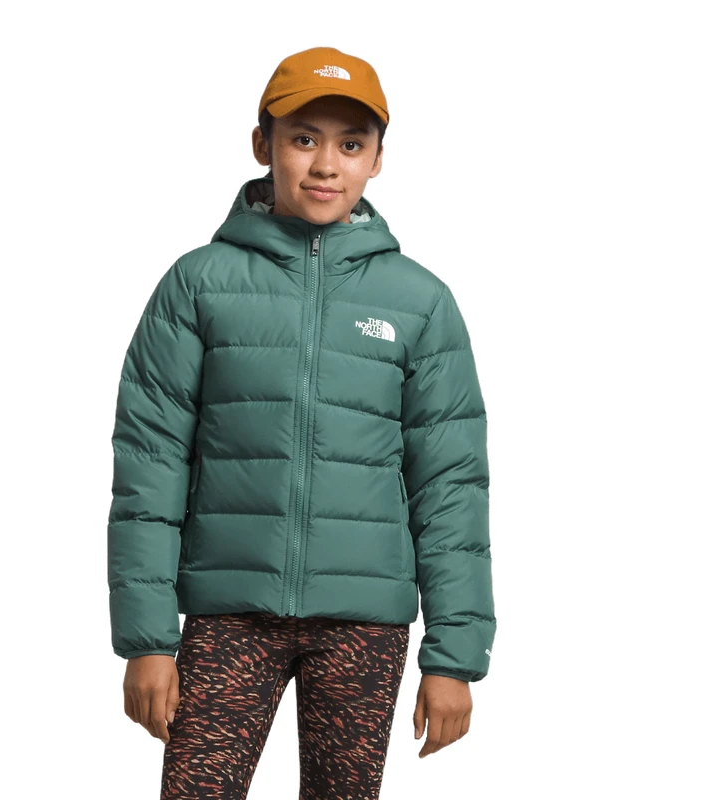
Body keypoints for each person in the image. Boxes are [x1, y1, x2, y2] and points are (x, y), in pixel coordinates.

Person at [107, 46, 496, 799]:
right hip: (228, 613)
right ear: (264, 145)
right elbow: (149, 466)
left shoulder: (421, 302)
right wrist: (147, 639)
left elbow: (452, 487)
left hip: (365, 625)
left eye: (350, 144)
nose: (325, 165)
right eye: (304, 138)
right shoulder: (198, 284)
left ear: (377, 160)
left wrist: (454, 655)